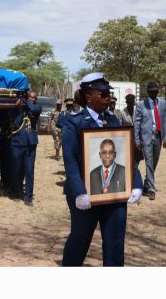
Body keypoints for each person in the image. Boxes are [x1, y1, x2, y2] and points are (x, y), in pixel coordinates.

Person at [61, 72, 143, 266]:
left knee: (115, 244)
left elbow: (125, 154)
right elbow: (70, 160)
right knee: (79, 242)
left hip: (114, 195)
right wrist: (79, 192)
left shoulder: (113, 120)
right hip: (85, 197)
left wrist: (137, 183)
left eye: (109, 93)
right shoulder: (73, 122)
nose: (109, 97)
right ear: (89, 96)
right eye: (103, 93)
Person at [134, 81, 166, 200]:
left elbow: (165, 121)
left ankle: (147, 183)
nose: (155, 93)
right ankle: (151, 189)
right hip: (146, 138)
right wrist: (137, 140)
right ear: (148, 92)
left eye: (156, 91)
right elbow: (137, 123)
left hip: (158, 137)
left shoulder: (163, 103)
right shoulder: (141, 105)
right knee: (149, 162)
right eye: (152, 91)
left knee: (154, 162)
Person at [10, 91, 42, 206]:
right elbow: (16, 124)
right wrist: (19, 109)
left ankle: (28, 197)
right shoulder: (16, 109)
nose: (32, 99)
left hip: (30, 144)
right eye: (30, 98)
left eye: (33, 98)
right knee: (17, 169)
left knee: (29, 171)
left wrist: (27, 101)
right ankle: (17, 192)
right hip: (17, 144)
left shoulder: (37, 107)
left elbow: (33, 109)